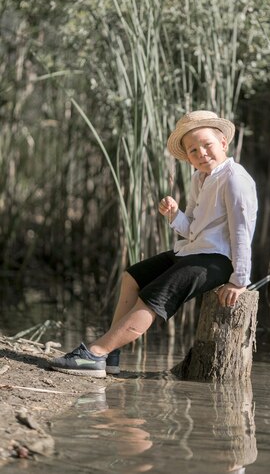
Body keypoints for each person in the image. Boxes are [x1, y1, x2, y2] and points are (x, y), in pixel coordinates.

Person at [49, 110, 258, 377]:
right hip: (193, 251)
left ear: (223, 144)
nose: (202, 153)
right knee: (132, 276)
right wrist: (173, 214)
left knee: (152, 300)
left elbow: (242, 231)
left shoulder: (235, 179)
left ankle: (95, 354)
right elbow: (192, 228)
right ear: (188, 157)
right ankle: (111, 354)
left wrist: (239, 281)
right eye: (193, 150)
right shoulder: (199, 178)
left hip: (216, 260)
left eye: (207, 145)